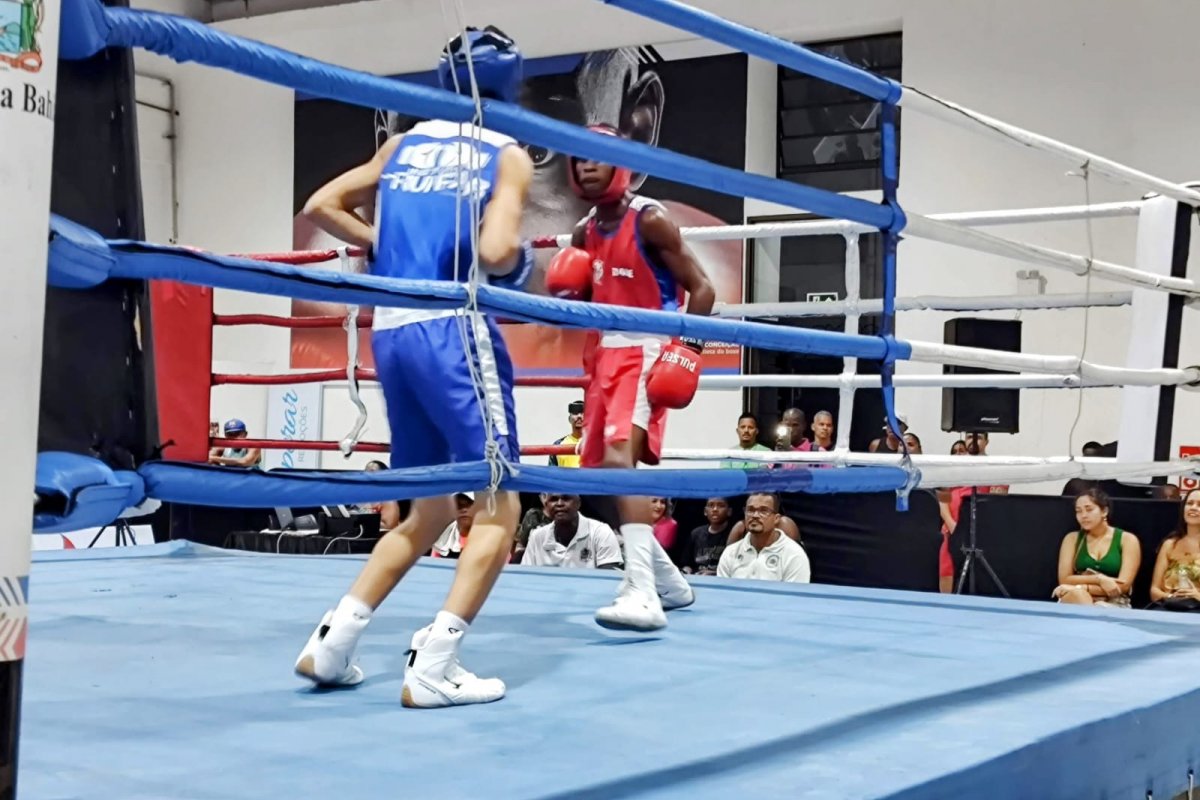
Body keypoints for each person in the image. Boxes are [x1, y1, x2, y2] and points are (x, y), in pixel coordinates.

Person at [292, 27, 535, 708]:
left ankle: (332, 643)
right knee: (501, 503)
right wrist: (522, 262)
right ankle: (435, 664)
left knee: (427, 510)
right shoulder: (506, 154)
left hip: (393, 333)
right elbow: (497, 251)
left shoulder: (401, 145)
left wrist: (383, 244)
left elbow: (320, 205)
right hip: (455, 330)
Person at [545, 123, 715, 631]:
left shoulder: (651, 220)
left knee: (621, 463)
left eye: (597, 157)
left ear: (620, 165)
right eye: (579, 159)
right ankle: (669, 583)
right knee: (600, 471)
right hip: (603, 355)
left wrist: (686, 351)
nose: (587, 167)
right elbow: (591, 302)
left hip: (646, 349)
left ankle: (641, 592)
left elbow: (702, 289)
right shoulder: (585, 233)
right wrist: (570, 295)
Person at [1052, 488, 1141, 607]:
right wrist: (1099, 579)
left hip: (1114, 601)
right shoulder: (1072, 539)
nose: (1083, 516)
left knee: (1099, 606)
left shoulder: (1127, 540)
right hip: (1076, 598)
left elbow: (1122, 586)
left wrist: (1083, 587)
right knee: (1079, 596)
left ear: (1104, 511)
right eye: (1078, 511)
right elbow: (1064, 579)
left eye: (1089, 509)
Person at [717, 493, 811, 583]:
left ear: (776, 519)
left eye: (763, 511)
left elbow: (794, 594)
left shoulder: (794, 555)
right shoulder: (730, 552)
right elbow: (721, 591)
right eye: (750, 510)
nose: (755, 515)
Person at [523, 494, 622, 569]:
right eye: (553, 499)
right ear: (546, 505)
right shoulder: (537, 536)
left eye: (566, 498)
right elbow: (526, 578)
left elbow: (608, 580)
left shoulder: (601, 532)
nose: (559, 503)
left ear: (578, 503)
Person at [1148, 488, 1200, 611]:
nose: (1193, 508)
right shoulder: (1169, 545)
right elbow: (1154, 591)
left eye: (1199, 505)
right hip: (1168, 607)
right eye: (1190, 503)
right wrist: (1171, 597)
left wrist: (1197, 596)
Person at [683, 497, 733, 575]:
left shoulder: (733, 534)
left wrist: (713, 573)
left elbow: (734, 569)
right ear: (705, 511)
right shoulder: (696, 533)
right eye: (711, 505)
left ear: (729, 511)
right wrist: (686, 571)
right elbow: (687, 564)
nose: (715, 509)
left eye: (720, 506)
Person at [548, 400, 585, 468]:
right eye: (575, 413)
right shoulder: (558, 445)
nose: (579, 416)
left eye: (583, 413)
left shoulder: (596, 445)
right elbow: (551, 472)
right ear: (569, 419)